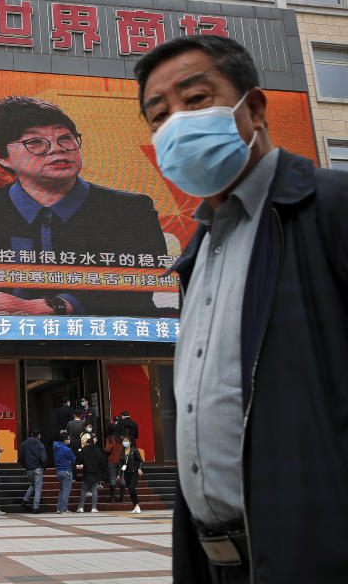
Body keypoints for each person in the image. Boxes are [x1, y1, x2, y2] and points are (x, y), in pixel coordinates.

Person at [137, 33, 348, 584]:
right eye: (159, 117)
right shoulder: (196, 253)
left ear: (253, 107)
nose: (176, 125)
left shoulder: (330, 210)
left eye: (196, 99)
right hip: (218, 562)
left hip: (315, 553)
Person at [0, 96, 167, 316]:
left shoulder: (131, 209)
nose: (57, 148)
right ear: (1, 156)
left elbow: (138, 288)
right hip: (2, 342)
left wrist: (37, 307)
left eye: (65, 138)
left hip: (106, 343)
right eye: (35, 142)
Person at [76, 434, 107, 513]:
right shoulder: (98, 450)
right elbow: (102, 462)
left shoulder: (84, 450)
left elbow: (79, 459)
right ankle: (93, 508)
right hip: (96, 473)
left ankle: (81, 507)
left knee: (84, 490)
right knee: (94, 490)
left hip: (87, 472)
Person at [18, 430, 46, 513]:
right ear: (38, 435)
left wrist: (25, 465)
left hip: (29, 468)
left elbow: (20, 457)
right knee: (38, 488)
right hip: (37, 468)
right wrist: (44, 466)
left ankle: (25, 500)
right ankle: (35, 507)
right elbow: (43, 458)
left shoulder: (24, 444)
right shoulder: (40, 444)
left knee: (33, 484)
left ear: (31, 434)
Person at [116, 436, 143, 515]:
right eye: (123, 441)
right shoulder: (122, 452)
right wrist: (119, 474)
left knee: (132, 488)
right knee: (130, 490)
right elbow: (121, 464)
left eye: (126, 441)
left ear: (130, 442)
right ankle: (135, 506)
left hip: (134, 472)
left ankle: (137, 505)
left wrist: (139, 469)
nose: (125, 442)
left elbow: (141, 461)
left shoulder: (134, 450)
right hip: (126, 473)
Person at [52, 432, 75, 514]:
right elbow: (73, 459)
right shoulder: (67, 449)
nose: (69, 440)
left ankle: (59, 508)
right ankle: (64, 509)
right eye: (68, 438)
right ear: (65, 440)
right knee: (66, 491)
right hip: (67, 471)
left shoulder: (55, 447)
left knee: (62, 490)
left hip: (59, 470)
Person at [104, 423, 125, 503]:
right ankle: (122, 497)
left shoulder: (109, 438)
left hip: (112, 460)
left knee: (112, 478)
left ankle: (112, 498)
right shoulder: (120, 438)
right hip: (121, 461)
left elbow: (107, 449)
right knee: (122, 478)